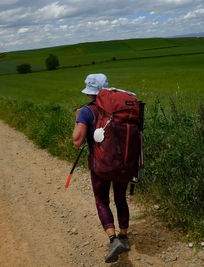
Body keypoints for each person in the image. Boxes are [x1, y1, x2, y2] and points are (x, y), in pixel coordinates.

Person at [72, 74, 131, 263]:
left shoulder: (86, 111)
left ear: (90, 93)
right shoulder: (118, 109)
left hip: (100, 166)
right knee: (120, 198)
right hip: (122, 162)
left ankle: (113, 240)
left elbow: (77, 141)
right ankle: (124, 236)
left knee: (101, 200)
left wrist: (77, 119)